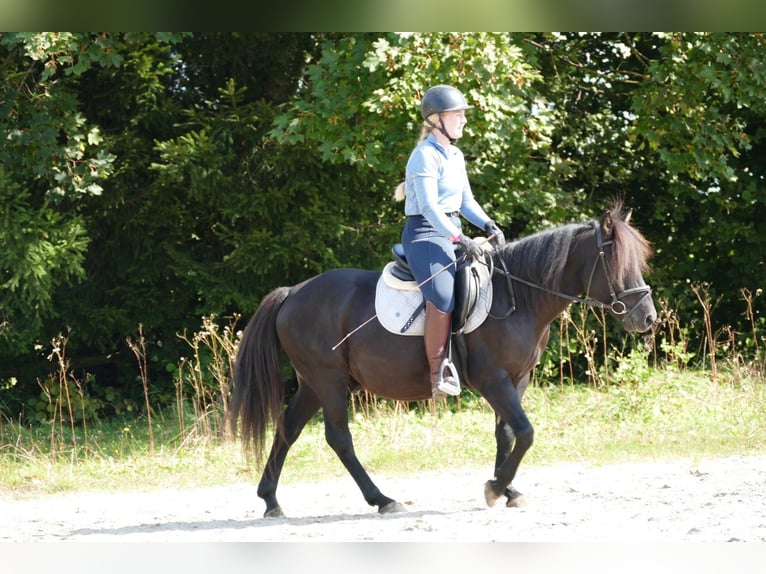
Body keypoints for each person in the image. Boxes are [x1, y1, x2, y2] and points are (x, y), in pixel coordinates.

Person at [394, 84, 506, 398]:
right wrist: (460, 237)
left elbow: (466, 200)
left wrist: (487, 224)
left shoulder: (455, 155)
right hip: (425, 236)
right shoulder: (424, 156)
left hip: (453, 232)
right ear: (437, 119)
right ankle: (438, 371)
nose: (463, 120)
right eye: (457, 115)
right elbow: (429, 208)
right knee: (442, 295)